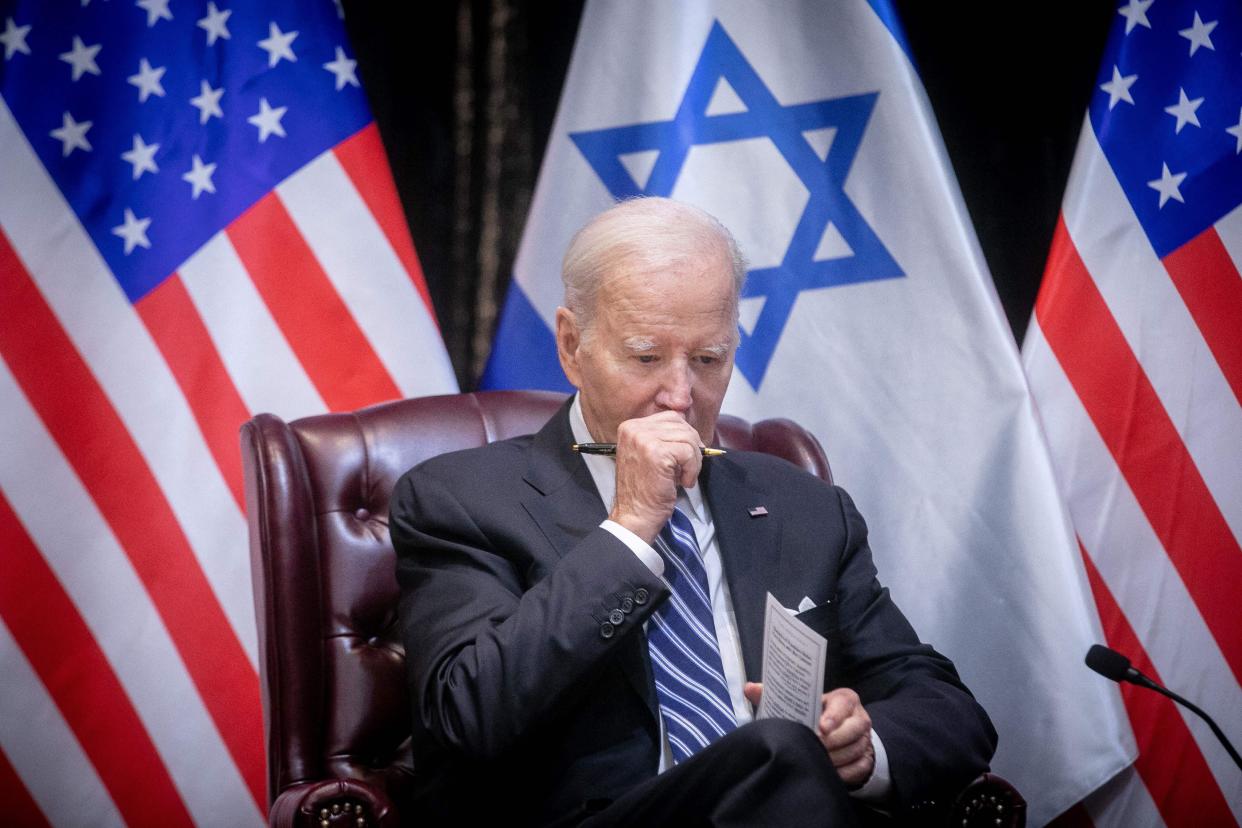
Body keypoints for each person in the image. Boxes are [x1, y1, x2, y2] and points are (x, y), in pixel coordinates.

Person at [389, 197, 996, 826]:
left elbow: (948, 709)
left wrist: (864, 750)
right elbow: (467, 717)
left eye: (708, 360)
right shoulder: (460, 499)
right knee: (775, 752)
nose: (679, 396)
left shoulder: (803, 506)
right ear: (573, 346)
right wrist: (628, 531)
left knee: (782, 759)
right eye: (647, 357)